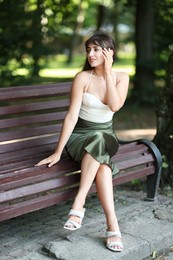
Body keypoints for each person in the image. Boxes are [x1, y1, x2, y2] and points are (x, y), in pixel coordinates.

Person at [36, 31, 129, 252]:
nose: (91, 54)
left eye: (96, 49)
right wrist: (58, 152)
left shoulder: (122, 78)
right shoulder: (82, 78)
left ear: (109, 52)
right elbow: (71, 116)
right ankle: (112, 227)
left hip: (105, 135)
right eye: (88, 50)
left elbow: (115, 106)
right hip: (80, 137)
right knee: (103, 169)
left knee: (99, 141)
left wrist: (107, 73)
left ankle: (78, 205)